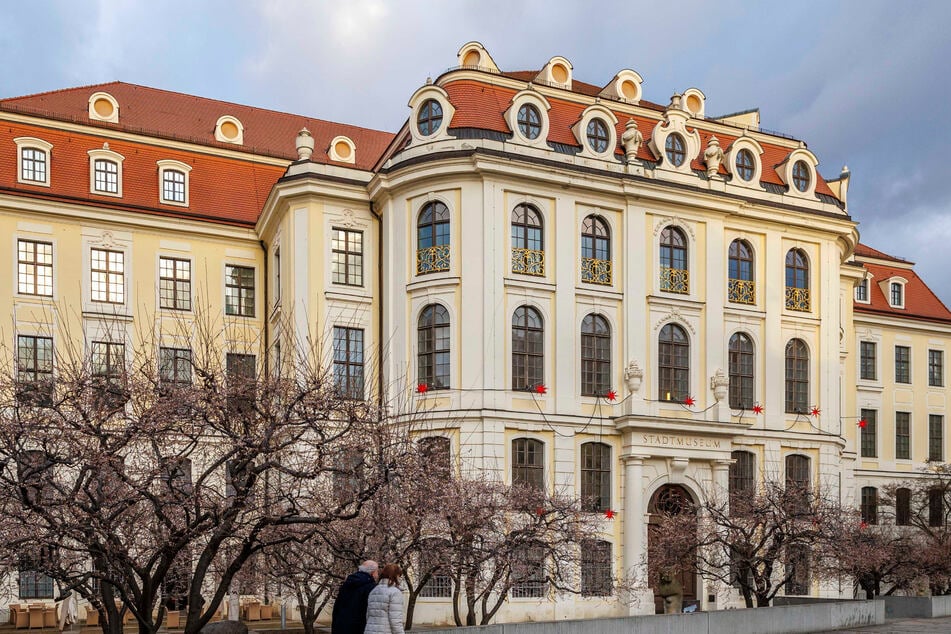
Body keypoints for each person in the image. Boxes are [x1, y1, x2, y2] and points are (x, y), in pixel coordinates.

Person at [331, 560, 379, 634]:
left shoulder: (347, 583)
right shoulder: (371, 587)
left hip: (341, 625)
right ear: (372, 572)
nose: (377, 575)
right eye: (377, 571)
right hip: (359, 627)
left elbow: (337, 606)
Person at [364, 563, 405, 634]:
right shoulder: (395, 592)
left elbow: (368, 615)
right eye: (399, 576)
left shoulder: (374, 591)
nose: (399, 578)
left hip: (370, 630)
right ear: (395, 575)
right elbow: (395, 621)